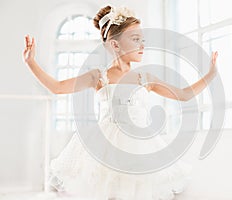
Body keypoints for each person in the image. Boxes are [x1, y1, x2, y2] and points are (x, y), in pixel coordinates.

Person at [23, 5, 218, 200]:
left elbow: (183, 94)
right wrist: (31, 62)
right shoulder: (98, 76)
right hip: (106, 146)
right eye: (135, 40)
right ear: (115, 45)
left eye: (142, 40)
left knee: (138, 191)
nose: (142, 45)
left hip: (142, 146)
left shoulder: (145, 77)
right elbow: (58, 87)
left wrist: (210, 74)